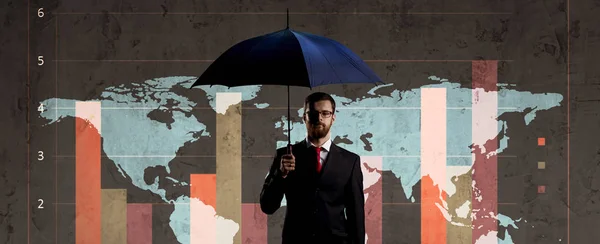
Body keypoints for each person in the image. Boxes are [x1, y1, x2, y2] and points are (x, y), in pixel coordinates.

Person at [260, 92, 365, 244]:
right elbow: (267, 206)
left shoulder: (350, 161)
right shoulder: (286, 155)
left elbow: (356, 215)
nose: (319, 118)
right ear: (304, 118)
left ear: (333, 118)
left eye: (325, 113)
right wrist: (280, 174)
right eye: (312, 113)